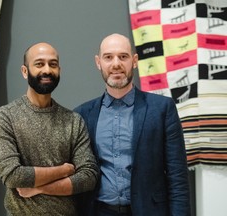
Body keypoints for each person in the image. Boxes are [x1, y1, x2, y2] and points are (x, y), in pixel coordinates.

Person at [74, 33, 191, 216]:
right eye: (108, 57)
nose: (116, 64)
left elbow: (178, 177)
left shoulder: (162, 109)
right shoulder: (82, 114)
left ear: (134, 61)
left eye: (123, 56)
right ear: (98, 63)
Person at [0, 42, 99, 216]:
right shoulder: (5, 117)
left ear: (59, 71)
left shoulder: (73, 121)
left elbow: (88, 177)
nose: (47, 70)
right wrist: (64, 170)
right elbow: (13, 175)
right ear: (25, 71)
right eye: (39, 64)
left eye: (53, 64)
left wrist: (38, 188)